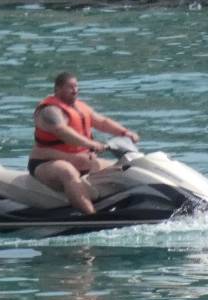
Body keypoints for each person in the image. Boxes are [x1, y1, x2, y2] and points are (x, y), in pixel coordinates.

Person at [29, 71, 140, 215]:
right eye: (70, 87)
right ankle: (91, 216)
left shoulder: (80, 107)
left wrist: (125, 132)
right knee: (67, 172)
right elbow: (62, 131)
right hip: (46, 163)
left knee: (124, 167)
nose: (75, 90)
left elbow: (102, 122)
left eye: (76, 86)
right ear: (57, 89)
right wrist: (90, 144)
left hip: (82, 162)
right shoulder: (49, 111)